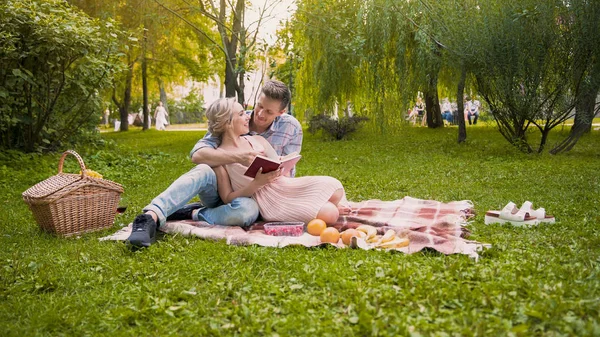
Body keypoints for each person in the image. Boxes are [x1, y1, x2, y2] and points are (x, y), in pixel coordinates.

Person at [126, 80, 303, 247]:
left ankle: (193, 212)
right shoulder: (235, 119)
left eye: (269, 112)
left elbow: (289, 171)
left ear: (281, 112)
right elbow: (198, 154)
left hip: (255, 197)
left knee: (248, 211)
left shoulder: (290, 127)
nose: (260, 114)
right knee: (203, 169)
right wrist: (238, 156)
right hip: (222, 188)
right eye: (259, 106)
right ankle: (150, 217)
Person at [209, 98, 345, 224]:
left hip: (286, 185)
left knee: (335, 187)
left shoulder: (257, 140)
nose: (247, 116)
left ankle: (310, 202)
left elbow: (279, 167)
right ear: (227, 123)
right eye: (241, 114)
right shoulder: (219, 159)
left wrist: (284, 162)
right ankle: (313, 205)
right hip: (271, 202)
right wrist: (256, 184)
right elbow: (227, 197)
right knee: (331, 214)